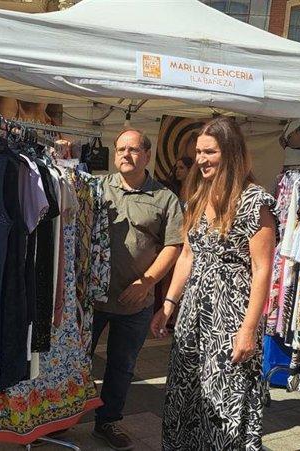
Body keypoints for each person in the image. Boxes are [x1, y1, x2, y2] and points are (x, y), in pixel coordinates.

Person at [153, 117, 278, 450]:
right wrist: (168, 304)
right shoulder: (196, 196)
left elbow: (262, 269)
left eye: (209, 152)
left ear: (231, 152)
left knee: (225, 394)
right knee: (187, 389)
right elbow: (187, 256)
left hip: (231, 316)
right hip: (193, 313)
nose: (201, 160)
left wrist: (248, 330)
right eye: (198, 152)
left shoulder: (255, 202)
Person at [92, 128, 184, 450]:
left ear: (147, 155)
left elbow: (174, 245)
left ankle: (107, 421)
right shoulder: (98, 188)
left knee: (121, 367)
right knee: (76, 362)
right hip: (93, 298)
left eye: (132, 149)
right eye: (120, 149)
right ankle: (62, 418)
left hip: (135, 302)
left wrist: (146, 282)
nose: (125, 155)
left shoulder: (165, 198)